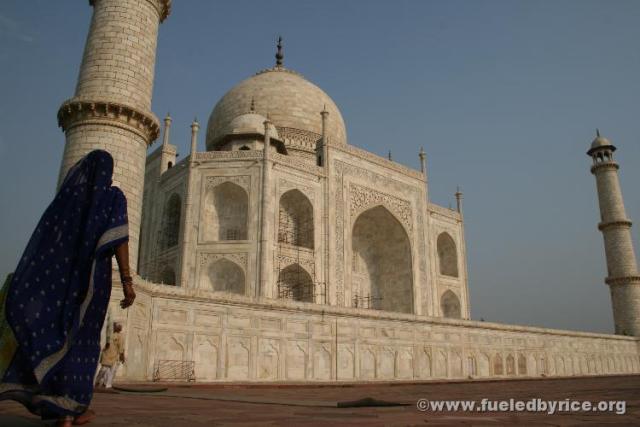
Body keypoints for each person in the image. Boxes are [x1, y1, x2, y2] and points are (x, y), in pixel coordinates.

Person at [0, 150, 136, 427]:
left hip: (60, 284)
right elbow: (119, 238)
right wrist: (127, 280)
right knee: (83, 341)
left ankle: (50, 401)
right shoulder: (112, 197)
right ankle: (69, 411)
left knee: (56, 334)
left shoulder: (68, 202)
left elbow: (47, 243)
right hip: (92, 283)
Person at [95, 322, 125, 389]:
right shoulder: (108, 334)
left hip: (114, 356)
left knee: (111, 370)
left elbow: (121, 347)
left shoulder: (119, 336)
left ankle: (107, 384)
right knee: (104, 370)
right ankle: (98, 381)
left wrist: (121, 355)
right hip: (107, 354)